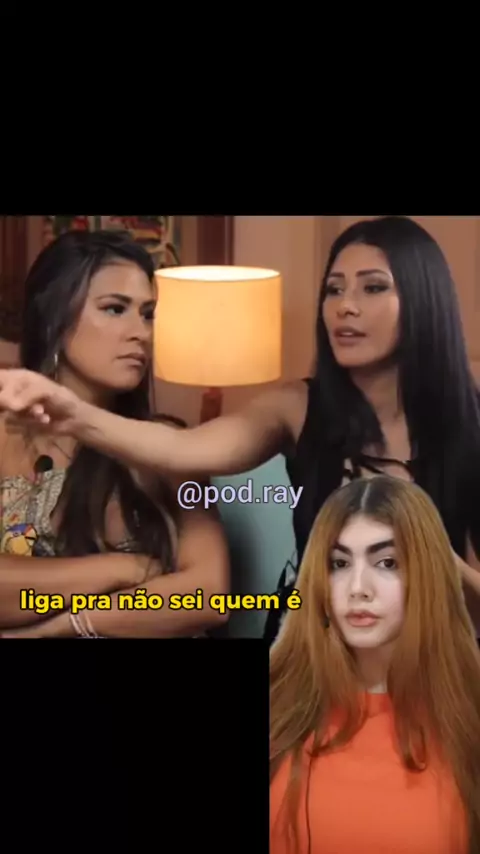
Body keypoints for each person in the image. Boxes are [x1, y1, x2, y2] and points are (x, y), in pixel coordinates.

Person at [0, 216, 479, 642]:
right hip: (322, 661)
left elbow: (206, 596)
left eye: (372, 288)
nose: (345, 307)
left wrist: (436, 560)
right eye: (334, 289)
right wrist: (121, 571)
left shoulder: (469, 425)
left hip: (442, 660)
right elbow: (186, 449)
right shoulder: (297, 406)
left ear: (423, 300)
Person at [0, 229, 229, 638]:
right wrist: (124, 568)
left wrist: (58, 627)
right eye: (115, 309)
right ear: (54, 317)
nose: (141, 332)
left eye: (147, 314)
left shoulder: (168, 447)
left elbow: (208, 596)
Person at [270, 476, 480, 853]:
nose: (358, 588)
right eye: (339, 563)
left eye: (387, 563)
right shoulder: (278, 704)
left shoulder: (469, 718)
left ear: (427, 574)